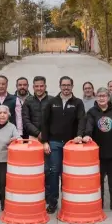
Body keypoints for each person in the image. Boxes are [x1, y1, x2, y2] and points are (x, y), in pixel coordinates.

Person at [41, 76, 86, 214]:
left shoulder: (78, 103)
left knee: (69, 174)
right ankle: (53, 202)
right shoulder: (52, 102)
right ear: (60, 86)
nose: (66, 88)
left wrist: (79, 135)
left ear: (72, 86)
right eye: (63, 85)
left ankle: (69, 200)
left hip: (71, 144)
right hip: (54, 143)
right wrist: (45, 142)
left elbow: (81, 120)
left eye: (68, 85)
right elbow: (44, 123)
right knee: (53, 172)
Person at [22, 76, 51, 141]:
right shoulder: (28, 101)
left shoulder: (52, 100)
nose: (39, 88)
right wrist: (38, 133)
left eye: (41, 86)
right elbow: (26, 120)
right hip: (33, 137)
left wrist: (46, 134)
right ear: (33, 87)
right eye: (36, 86)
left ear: (45, 87)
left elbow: (55, 120)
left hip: (50, 137)